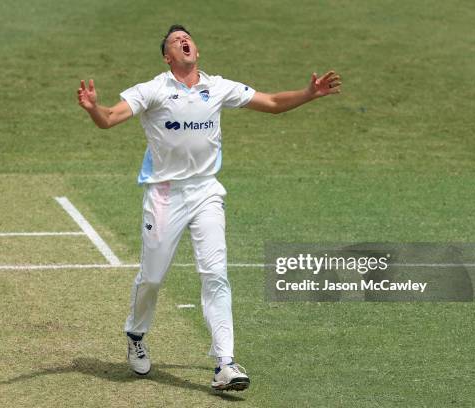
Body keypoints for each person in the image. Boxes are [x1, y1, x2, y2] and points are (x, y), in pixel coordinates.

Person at [77, 24, 341, 392]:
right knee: (152, 277)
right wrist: (94, 108)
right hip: (165, 194)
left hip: (206, 193)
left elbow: (272, 104)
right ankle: (136, 334)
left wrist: (309, 93)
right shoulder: (153, 89)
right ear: (168, 56)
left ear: (195, 51)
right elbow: (109, 119)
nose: (184, 41)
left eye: (188, 38)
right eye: (175, 41)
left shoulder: (217, 87)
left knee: (215, 274)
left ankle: (225, 363)